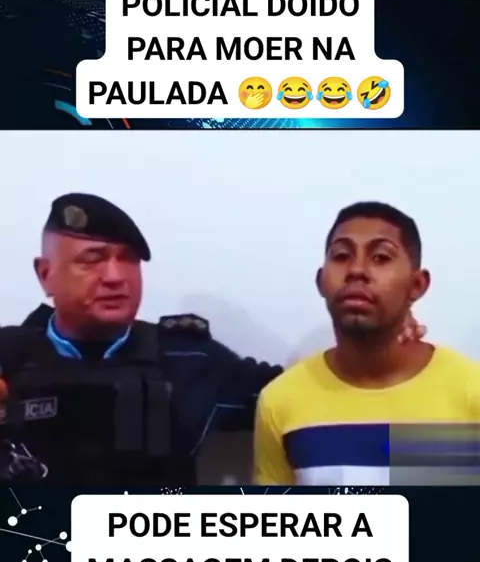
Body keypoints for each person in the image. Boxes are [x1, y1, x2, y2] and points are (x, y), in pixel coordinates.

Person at [0, 193, 425, 486]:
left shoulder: (187, 358)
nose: (115, 276)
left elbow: (304, 396)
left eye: (127, 260)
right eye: (92, 260)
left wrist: (382, 345)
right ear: (45, 274)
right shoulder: (10, 357)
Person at [253, 201, 480, 486]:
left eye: (381, 257)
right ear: (321, 281)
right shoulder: (280, 401)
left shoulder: (471, 392)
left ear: (417, 285)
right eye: (341, 256)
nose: (356, 270)